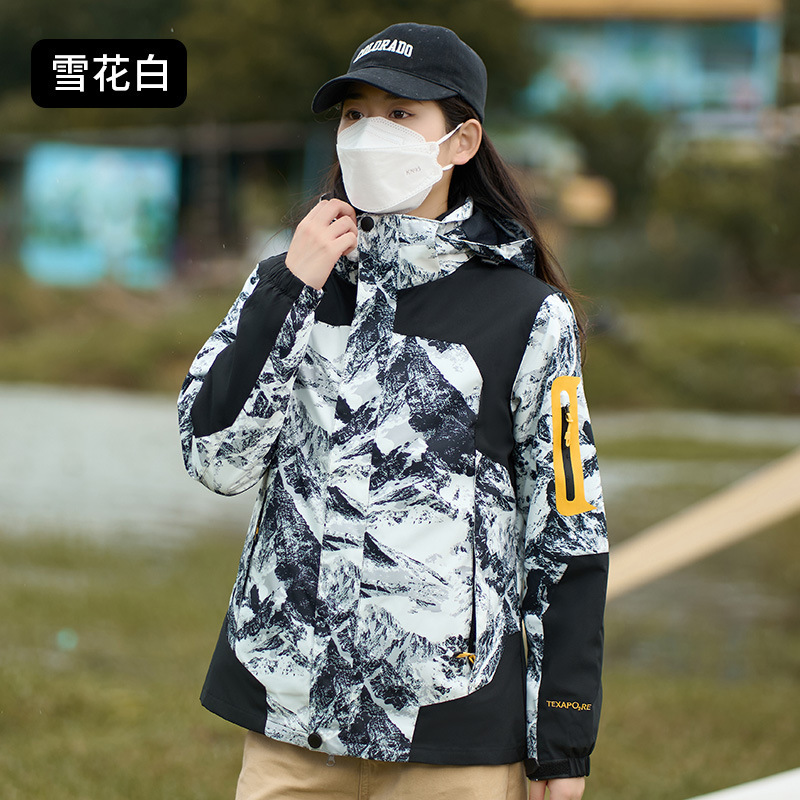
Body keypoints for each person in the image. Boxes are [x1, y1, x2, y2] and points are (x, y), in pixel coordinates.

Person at [178, 22, 608, 800]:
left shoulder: (527, 314)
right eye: (355, 114)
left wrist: (563, 738)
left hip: (453, 732)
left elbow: (567, 533)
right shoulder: (290, 282)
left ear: (461, 140)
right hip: (293, 720)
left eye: (400, 114)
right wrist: (290, 286)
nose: (369, 134)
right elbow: (215, 460)